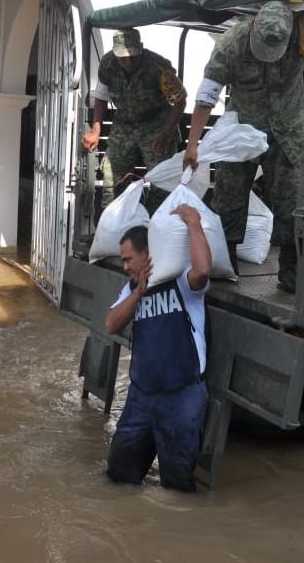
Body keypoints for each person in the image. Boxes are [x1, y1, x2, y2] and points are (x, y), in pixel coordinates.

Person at [183, 1, 304, 293]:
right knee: (229, 194)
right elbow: (207, 94)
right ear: (254, 25)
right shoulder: (231, 43)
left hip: (288, 130)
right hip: (243, 130)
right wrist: (193, 144)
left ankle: (290, 267)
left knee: (291, 201)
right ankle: (225, 259)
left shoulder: (302, 32)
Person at [105, 205, 211, 492]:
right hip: (141, 397)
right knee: (118, 473)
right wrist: (139, 293)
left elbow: (202, 271)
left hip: (182, 397)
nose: (125, 266)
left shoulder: (181, 281)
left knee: (177, 485)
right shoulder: (131, 289)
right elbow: (111, 324)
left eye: (128, 259)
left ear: (146, 255)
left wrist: (194, 223)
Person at [81, 28, 187, 213]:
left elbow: (179, 100)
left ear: (141, 48)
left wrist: (167, 133)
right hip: (125, 123)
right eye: (123, 57)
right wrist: (96, 130)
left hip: (157, 124)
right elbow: (101, 98)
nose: (128, 61)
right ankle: (113, 223)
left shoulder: (159, 67)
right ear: (115, 53)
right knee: (111, 175)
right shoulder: (107, 64)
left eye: (132, 56)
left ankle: (157, 225)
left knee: (162, 180)